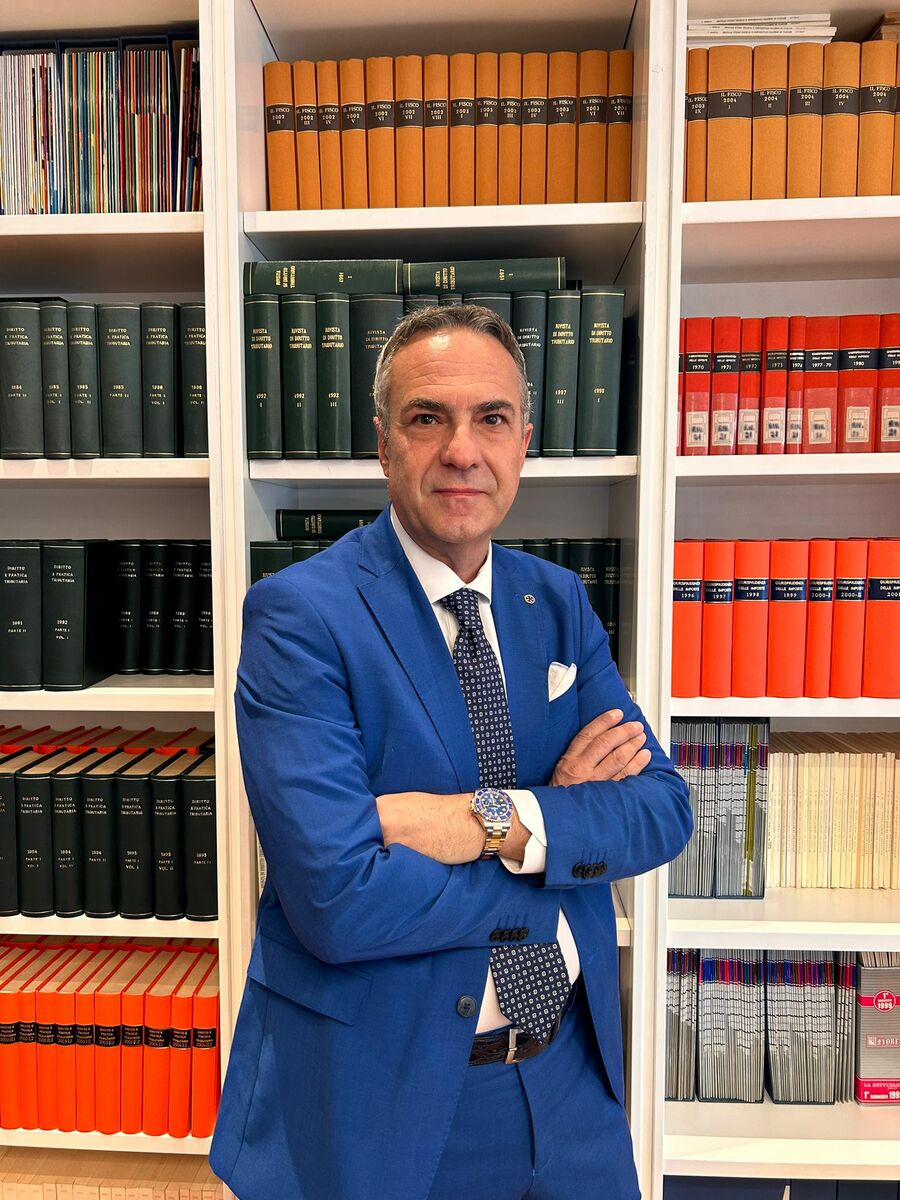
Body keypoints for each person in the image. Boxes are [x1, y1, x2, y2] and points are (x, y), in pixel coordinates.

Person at [209, 304, 692, 1200]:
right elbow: (339, 900)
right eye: (428, 418)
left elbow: (663, 809)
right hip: (390, 1100)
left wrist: (490, 821)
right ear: (383, 443)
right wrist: (559, 840)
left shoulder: (558, 599)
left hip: (571, 1080)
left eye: (492, 419)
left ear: (524, 443)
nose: (463, 451)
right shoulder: (299, 616)